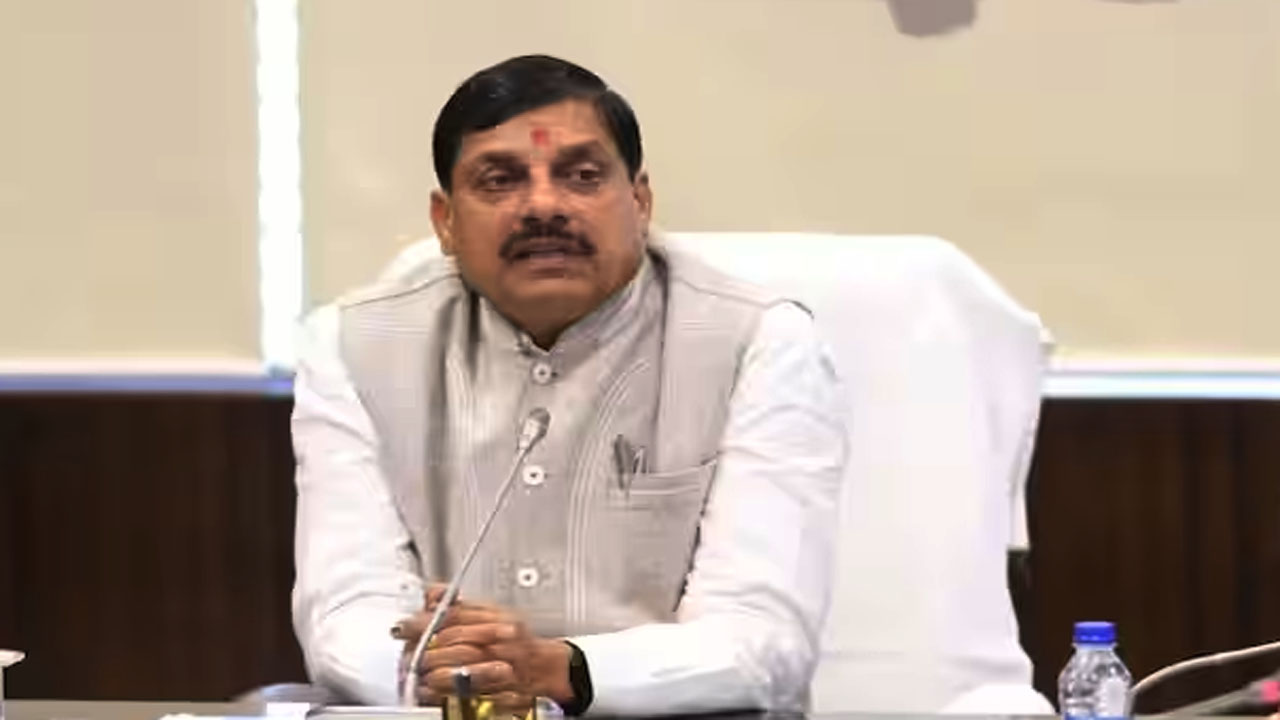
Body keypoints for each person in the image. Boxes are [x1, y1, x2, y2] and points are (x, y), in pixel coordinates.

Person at [290, 54, 847, 716]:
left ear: (640, 201)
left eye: (582, 176)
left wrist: (560, 671)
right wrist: (461, 682)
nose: (544, 206)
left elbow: (762, 637)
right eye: (499, 180)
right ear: (445, 221)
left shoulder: (758, 342)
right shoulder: (354, 348)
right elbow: (346, 610)